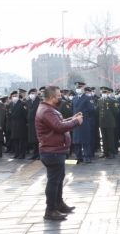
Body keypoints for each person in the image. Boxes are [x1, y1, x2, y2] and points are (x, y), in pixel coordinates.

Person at [36, 86, 83, 220]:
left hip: (55, 150)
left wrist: (71, 118)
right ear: (51, 98)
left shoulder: (48, 109)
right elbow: (59, 127)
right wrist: (76, 122)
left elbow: (58, 123)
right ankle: (50, 209)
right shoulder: (47, 111)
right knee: (53, 181)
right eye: (58, 96)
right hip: (52, 151)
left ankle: (58, 203)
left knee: (58, 178)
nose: (60, 98)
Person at [72, 82, 97, 164]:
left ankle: (88, 156)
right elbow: (72, 109)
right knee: (76, 140)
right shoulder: (74, 98)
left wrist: (86, 117)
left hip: (84, 121)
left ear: (83, 88)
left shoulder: (87, 98)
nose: (78, 88)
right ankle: (79, 156)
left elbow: (92, 109)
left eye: (80, 87)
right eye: (77, 87)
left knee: (85, 140)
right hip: (76, 121)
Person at [97, 86, 119, 159]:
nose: (104, 93)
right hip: (102, 122)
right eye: (102, 92)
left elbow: (116, 112)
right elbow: (98, 110)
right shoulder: (99, 100)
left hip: (109, 122)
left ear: (108, 93)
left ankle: (111, 152)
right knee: (104, 138)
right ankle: (105, 152)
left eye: (105, 92)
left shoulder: (112, 101)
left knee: (110, 138)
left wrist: (111, 118)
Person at [10, 91, 28, 159]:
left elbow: (25, 114)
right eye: (13, 96)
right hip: (14, 123)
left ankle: (22, 154)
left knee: (21, 140)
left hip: (21, 123)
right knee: (15, 139)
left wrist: (25, 122)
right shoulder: (11, 104)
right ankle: (16, 153)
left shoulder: (22, 103)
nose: (14, 97)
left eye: (16, 95)